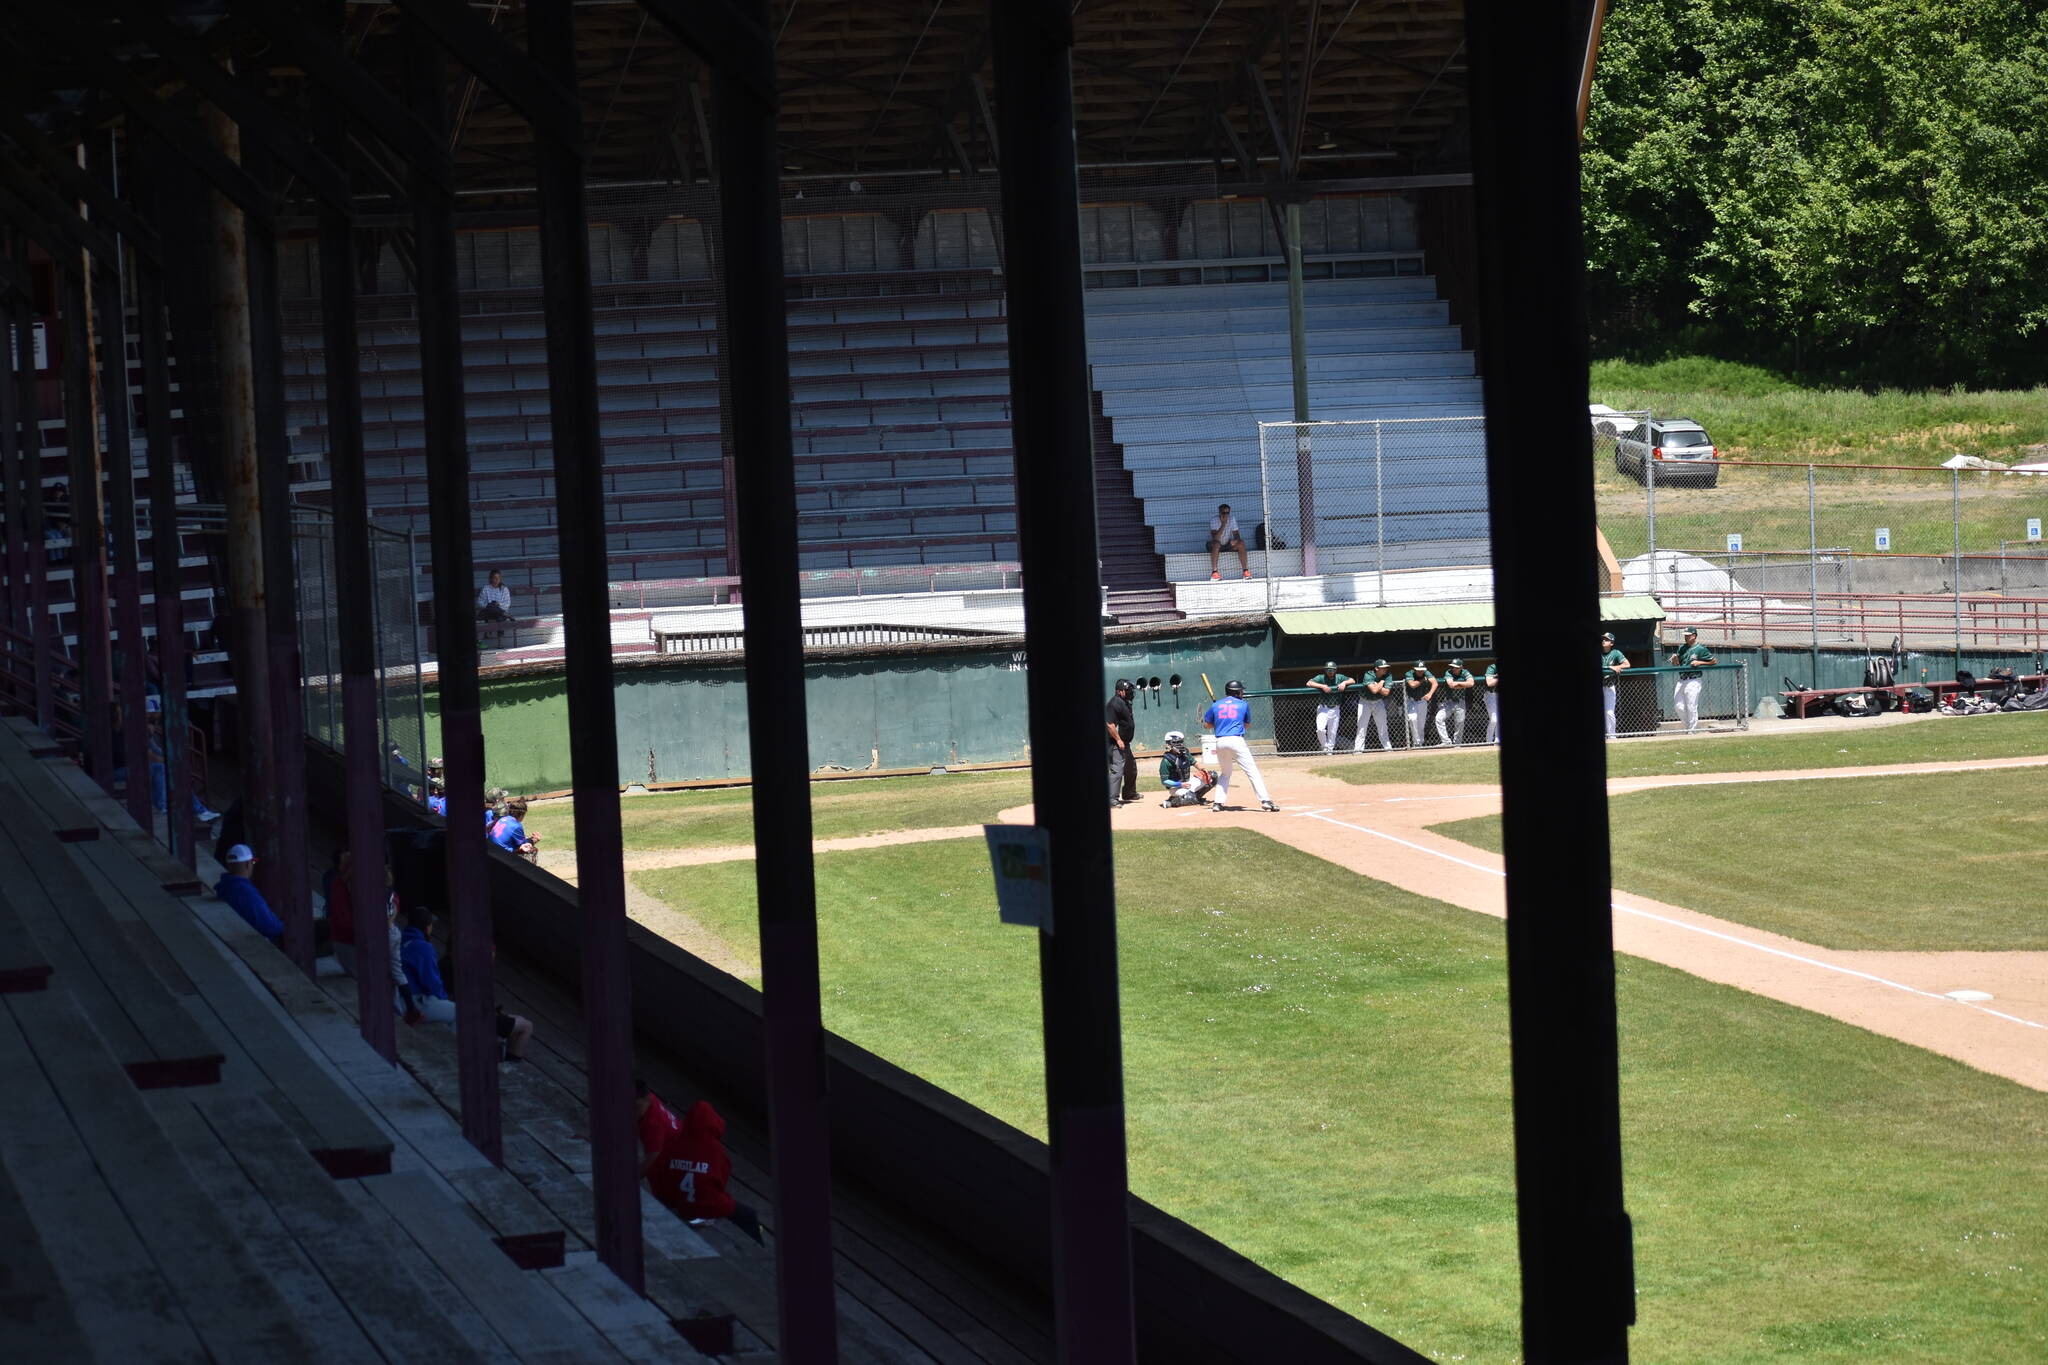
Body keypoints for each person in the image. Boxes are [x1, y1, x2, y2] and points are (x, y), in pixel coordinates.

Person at [645, 1096, 765, 1245]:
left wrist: (667, 1200)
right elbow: (721, 1180)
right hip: (706, 1205)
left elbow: (656, 1172)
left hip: (678, 1203)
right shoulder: (716, 1150)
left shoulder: (674, 1144)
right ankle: (760, 1245)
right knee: (748, 1215)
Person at [1201, 680, 1277, 812]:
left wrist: (1220, 723)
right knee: (1252, 771)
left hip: (1220, 742)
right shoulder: (1243, 704)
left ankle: (1218, 803)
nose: (1242, 693)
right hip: (1236, 740)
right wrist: (1233, 722)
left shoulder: (1216, 705)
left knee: (1225, 773)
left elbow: (1207, 725)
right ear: (1236, 692)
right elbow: (1247, 725)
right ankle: (1265, 801)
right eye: (1240, 691)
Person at [399, 907, 459, 1023]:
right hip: (410, 1002)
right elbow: (433, 984)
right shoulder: (423, 947)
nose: (432, 928)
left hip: (397, 998)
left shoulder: (401, 939)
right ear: (426, 927)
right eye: (431, 925)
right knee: (461, 1012)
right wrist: (444, 1000)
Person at [216, 844, 284, 942]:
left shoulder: (224, 886)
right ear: (248, 864)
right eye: (253, 862)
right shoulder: (245, 892)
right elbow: (270, 927)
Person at [1668, 626, 1717, 733]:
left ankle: (1692, 730)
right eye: (1685, 635)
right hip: (1682, 679)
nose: (1685, 637)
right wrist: (1675, 659)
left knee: (1691, 706)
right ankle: (1688, 728)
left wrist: (1699, 662)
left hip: (1693, 679)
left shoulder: (1700, 648)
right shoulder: (1682, 648)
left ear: (1694, 636)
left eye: (1688, 635)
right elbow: (1677, 664)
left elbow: (1714, 661)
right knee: (1678, 706)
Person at [1156, 730, 1215, 807]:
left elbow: (1194, 762)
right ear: (1171, 744)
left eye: (1181, 742)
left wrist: (1203, 770)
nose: (1181, 744)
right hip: (1176, 787)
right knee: (1190, 797)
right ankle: (1170, 802)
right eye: (1178, 742)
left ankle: (1196, 798)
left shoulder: (1185, 753)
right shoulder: (1166, 761)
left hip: (1187, 783)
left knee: (1212, 776)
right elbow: (1165, 781)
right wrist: (1180, 784)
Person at [1306, 661, 1353, 755]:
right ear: (1325, 670)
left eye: (1332, 670)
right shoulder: (1321, 677)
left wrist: (1344, 683)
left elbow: (1352, 680)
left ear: (1335, 670)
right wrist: (1322, 686)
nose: (1330, 672)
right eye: (1328, 670)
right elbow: (1309, 683)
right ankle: (1325, 748)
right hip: (1323, 708)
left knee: (1332, 733)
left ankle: (1329, 752)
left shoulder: (1339, 677)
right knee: (1320, 729)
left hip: (1335, 708)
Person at [1105, 678, 1137, 808]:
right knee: (1117, 771)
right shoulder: (1114, 703)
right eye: (1127, 690)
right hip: (1115, 744)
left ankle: (1129, 793)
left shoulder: (1125, 702)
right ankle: (1111, 799)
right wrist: (1118, 739)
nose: (1130, 692)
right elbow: (1109, 724)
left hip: (1125, 743)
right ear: (1120, 691)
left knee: (1131, 769)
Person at [1353, 660, 1394, 752]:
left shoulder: (1388, 675)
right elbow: (1374, 690)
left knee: (1383, 726)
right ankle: (1358, 749)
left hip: (1378, 701)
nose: (1385, 669)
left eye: (1386, 667)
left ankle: (1388, 748)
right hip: (1365, 702)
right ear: (1376, 668)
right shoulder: (1369, 674)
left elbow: (1386, 692)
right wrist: (1381, 683)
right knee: (1362, 726)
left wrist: (1377, 685)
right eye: (1383, 668)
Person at [1438, 659, 1477, 746]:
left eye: (1456, 667)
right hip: (1449, 701)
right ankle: (1446, 742)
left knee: (1460, 723)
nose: (1454, 669)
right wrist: (1464, 684)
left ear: (1461, 667)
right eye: (1452, 667)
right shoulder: (1449, 672)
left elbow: (1471, 683)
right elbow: (1451, 685)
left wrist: (1459, 684)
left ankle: (1457, 744)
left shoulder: (1465, 672)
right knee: (1439, 718)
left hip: (1460, 701)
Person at [1400, 659, 1437, 748]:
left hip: (1422, 701)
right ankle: (1416, 742)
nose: (1420, 671)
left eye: (1422, 670)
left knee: (1421, 724)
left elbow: (1435, 683)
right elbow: (1412, 685)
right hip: (1411, 701)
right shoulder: (1409, 673)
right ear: (1414, 669)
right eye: (1418, 670)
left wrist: (1430, 694)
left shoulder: (1426, 672)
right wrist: (1422, 680)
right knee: (1412, 719)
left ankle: (1420, 743)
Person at [1206, 503, 1249, 580]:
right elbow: (1215, 538)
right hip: (1215, 545)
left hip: (1227, 544)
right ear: (1219, 513)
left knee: (1241, 543)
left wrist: (1235, 541)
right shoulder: (1214, 520)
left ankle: (1245, 571)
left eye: (1227, 513)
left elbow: (1236, 534)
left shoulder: (1232, 519)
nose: (1225, 515)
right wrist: (1223, 524)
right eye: (1223, 513)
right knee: (1216, 544)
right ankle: (1214, 572)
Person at [1600, 632, 1631, 740]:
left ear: (1611, 643)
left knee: (1609, 712)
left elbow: (1627, 664)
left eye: (1606, 639)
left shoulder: (1615, 653)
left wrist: (1617, 666)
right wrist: (1610, 667)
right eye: (1603, 639)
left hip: (1609, 686)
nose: (1604, 641)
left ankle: (1612, 737)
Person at [1482, 662, 1501, 745]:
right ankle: (1488, 742)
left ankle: (1497, 741)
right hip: (1491, 695)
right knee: (1494, 719)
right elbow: (1489, 683)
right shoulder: (1492, 667)